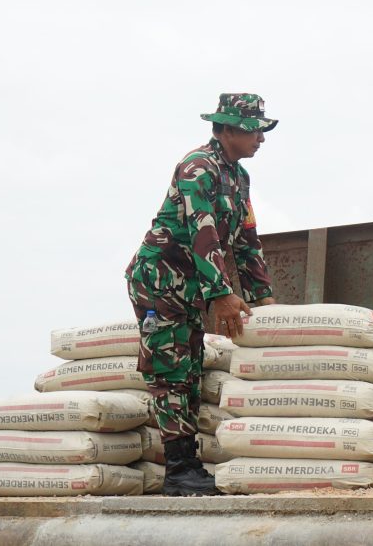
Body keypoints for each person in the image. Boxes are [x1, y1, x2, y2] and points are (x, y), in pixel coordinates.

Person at [125, 93, 278, 496]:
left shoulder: (239, 177)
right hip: (160, 282)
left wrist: (264, 298)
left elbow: (246, 240)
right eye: (253, 130)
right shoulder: (198, 168)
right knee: (171, 372)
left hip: (190, 288)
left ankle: (189, 464)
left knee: (191, 371)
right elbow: (203, 232)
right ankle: (178, 472)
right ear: (227, 129)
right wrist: (222, 294)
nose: (261, 138)